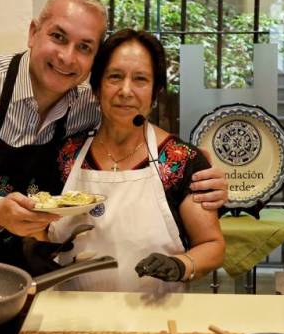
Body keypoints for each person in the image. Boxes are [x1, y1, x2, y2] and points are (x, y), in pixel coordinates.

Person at [0, 0, 227, 275]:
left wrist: (199, 164)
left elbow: (131, 114)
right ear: (33, 32)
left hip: (17, 278)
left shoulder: (86, 104)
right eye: (58, 37)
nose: (67, 57)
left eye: (84, 47)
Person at [49, 29, 225, 292]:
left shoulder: (182, 161)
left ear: (155, 92)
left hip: (155, 319)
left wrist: (182, 264)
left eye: (140, 79)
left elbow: (213, 245)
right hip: (71, 318)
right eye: (115, 77)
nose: (126, 90)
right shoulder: (65, 154)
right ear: (97, 87)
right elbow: (40, 227)